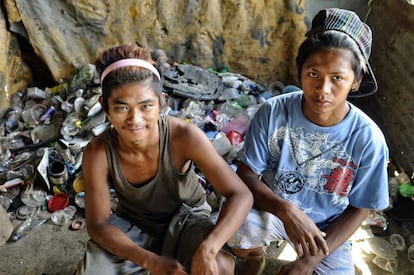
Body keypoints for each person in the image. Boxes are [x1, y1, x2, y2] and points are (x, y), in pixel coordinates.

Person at [227, 8, 389, 275]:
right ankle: (255, 257)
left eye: (337, 78)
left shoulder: (367, 138)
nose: (323, 89)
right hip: (275, 211)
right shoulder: (274, 111)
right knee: (233, 233)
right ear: (300, 70)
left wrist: (309, 260)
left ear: (356, 82)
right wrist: (286, 210)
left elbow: (362, 207)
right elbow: (246, 174)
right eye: (313, 74)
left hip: (329, 228)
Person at [76, 43, 253, 275]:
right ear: (104, 106)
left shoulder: (184, 137)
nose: (135, 119)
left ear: (161, 102)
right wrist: (150, 261)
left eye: (146, 106)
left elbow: (241, 194)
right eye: (121, 108)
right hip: (134, 225)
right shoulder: (97, 153)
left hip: (187, 218)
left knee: (219, 266)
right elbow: (98, 225)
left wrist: (208, 249)